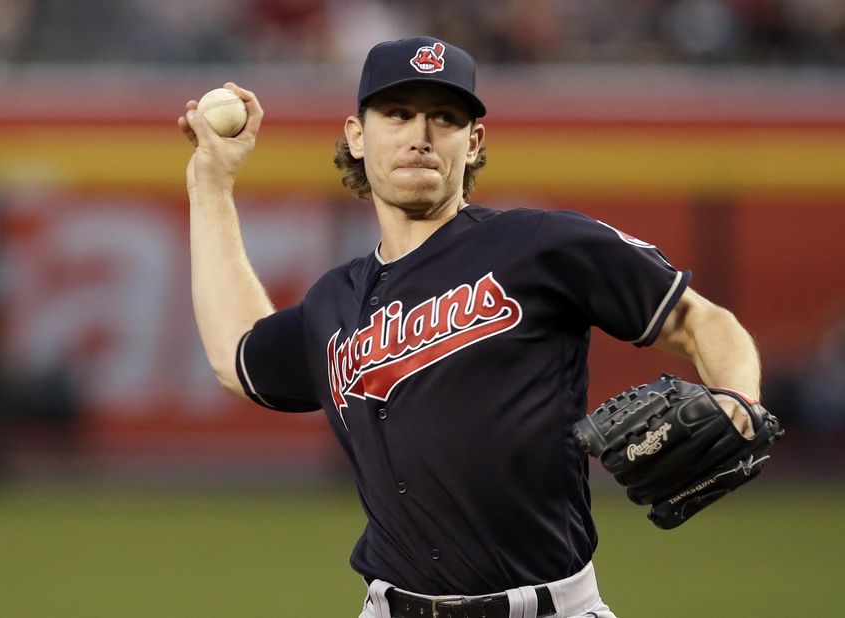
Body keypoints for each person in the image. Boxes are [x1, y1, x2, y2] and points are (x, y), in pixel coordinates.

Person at [179, 36, 761, 618]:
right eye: (398, 113)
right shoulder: (335, 300)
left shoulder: (540, 245)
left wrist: (738, 398)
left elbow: (700, 320)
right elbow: (238, 356)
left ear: (473, 141)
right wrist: (210, 181)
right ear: (357, 135)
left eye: (445, 118)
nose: (421, 135)